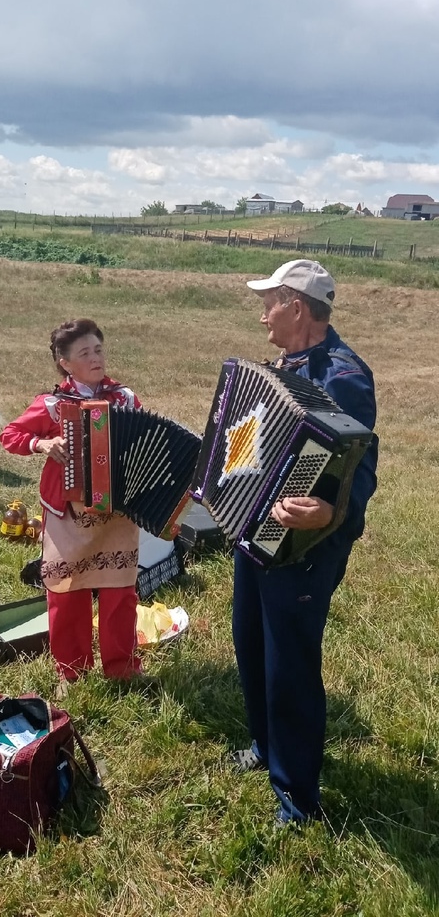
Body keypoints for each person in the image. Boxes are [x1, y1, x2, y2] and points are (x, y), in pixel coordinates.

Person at [231, 259, 378, 826]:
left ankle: (297, 795)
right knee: (251, 640)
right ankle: (267, 748)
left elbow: (361, 466)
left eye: (269, 302)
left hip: (307, 548)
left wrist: (329, 511)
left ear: (296, 308)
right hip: (258, 530)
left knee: (290, 662)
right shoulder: (282, 365)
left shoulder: (342, 376)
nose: (262, 313)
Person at [0, 318, 143, 688]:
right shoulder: (52, 405)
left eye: (98, 349)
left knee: (119, 592)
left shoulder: (125, 399)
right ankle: (72, 672)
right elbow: (10, 434)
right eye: (85, 353)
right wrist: (42, 444)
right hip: (67, 512)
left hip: (117, 510)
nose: (96, 357)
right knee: (67, 593)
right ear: (65, 362)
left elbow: (144, 439)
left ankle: (122, 668)